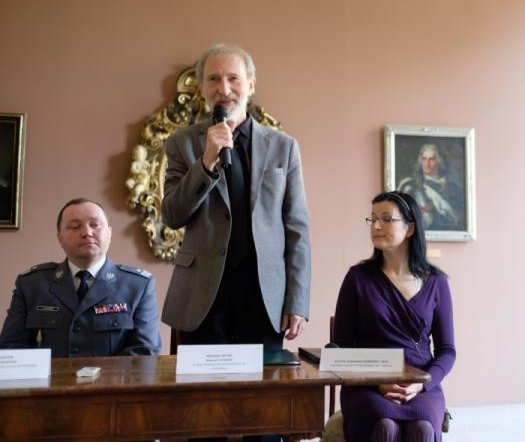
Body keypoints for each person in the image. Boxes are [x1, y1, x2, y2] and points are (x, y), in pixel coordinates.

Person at [161, 43, 311, 352]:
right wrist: (205, 163)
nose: (223, 88)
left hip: (265, 297)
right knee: (201, 398)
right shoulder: (181, 144)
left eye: (233, 78)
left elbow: (297, 229)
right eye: (213, 79)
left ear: (251, 84)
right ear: (201, 87)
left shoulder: (284, 147)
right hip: (202, 296)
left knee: (262, 397)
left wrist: (297, 300)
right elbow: (173, 214)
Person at [334, 191, 456, 442]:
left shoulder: (437, 282)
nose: (376, 226)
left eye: (387, 219)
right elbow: (341, 349)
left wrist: (422, 384)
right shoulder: (357, 278)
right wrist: (377, 382)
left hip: (421, 384)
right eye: (373, 219)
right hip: (366, 385)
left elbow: (447, 350)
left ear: (410, 228)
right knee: (385, 426)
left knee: (421, 429)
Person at [0, 198, 161, 357]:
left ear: (109, 233)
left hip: (113, 383)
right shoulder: (32, 284)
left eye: (95, 225)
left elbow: (145, 351)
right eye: (75, 227)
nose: (87, 233)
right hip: (50, 382)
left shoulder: (138, 286)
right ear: (60, 238)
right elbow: (11, 349)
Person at [397, 143, 463, 231]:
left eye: (431, 159)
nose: (427, 163)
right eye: (424, 159)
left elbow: (460, 219)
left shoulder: (454, 188)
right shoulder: (411, 186)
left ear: (439, 161)